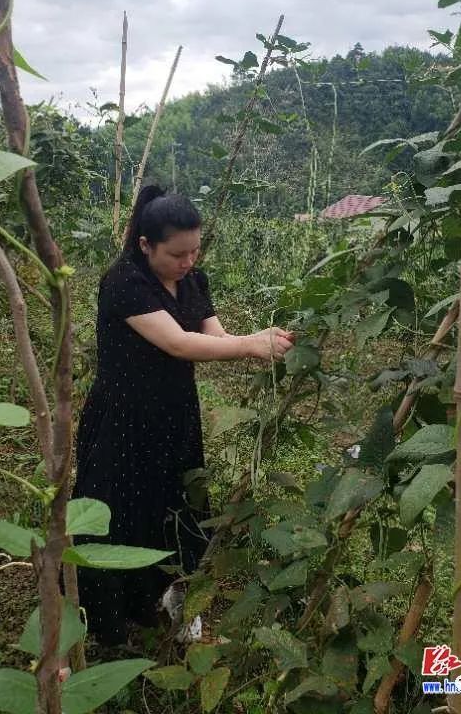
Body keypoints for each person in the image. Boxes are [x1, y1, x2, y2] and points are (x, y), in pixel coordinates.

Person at [66, 185, 295, 652]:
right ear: (146, 245)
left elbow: (214, 336)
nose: (187, 262)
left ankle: (169, 597)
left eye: (194, 251)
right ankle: (106, 621)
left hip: (174, 416)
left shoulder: (193, 280)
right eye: (177, 254)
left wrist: (260, 343)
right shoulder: (125, 282)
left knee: (175, 506)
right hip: (124, 418)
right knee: (117, 512)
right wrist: (250, 343)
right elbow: (178, 343)